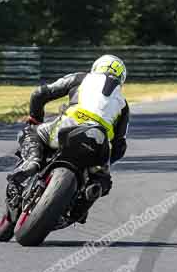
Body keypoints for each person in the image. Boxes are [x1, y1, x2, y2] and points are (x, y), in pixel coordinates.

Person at [8, 54, 130, 220]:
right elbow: (120, 145)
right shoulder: (123, 103)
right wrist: (104, 163)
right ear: (121, 78)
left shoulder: (81, 78)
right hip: (99, 141)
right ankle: (84, 201)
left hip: (68, 126)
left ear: (96, 67)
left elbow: (40, 93)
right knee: (103, 180)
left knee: (31, 131)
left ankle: (33, 160)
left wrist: (35, 118)